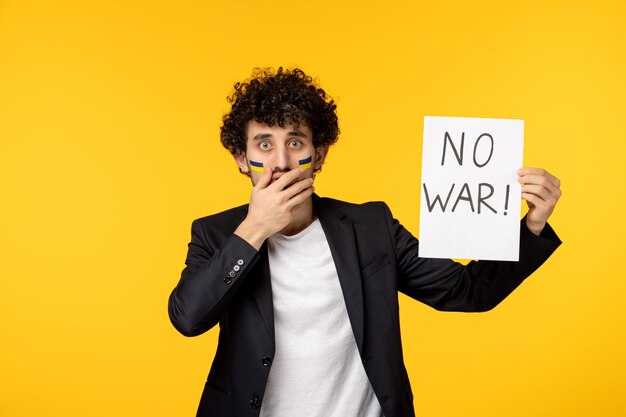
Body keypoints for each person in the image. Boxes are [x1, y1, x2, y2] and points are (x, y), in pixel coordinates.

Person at [168, 67, 562, 417]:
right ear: (241, 158)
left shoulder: (372, 226)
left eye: (296, 142)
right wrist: (253, 229)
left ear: (318, 154)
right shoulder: (216, 234)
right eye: (264, 145)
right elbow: (187, 318)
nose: (282, 163)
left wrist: (531, 227)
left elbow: (468, 291)